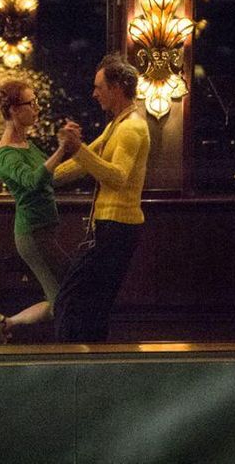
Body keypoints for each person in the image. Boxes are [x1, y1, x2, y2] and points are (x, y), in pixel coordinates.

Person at [52, 53, 151, 343]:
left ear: (116, 87)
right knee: (94, 303)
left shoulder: (132, 127)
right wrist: (44, 177)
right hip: (111, 227)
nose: (94, 94)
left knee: (70, 297)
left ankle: (67, 357)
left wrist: (77, 147)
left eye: (99, 87)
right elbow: (82, 162)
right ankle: (89, 357)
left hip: (117, 228)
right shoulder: (116, 125)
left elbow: (117, 177)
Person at [0, 79, 78, 344]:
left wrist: (87, 159)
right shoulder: (6, 155)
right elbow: (34, 180)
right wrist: (63, 148)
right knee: (63, 298)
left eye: (36, 102)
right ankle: (68, 348)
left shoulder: (26, 145)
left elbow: (51, 175)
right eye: (31, 103)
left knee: (64, 292)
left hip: (45, 232)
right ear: (14, 110)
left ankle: (3, 324)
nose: (37, 109)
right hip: (33, 236)